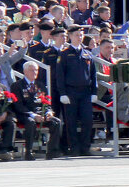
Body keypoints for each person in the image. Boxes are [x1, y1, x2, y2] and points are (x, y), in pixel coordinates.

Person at [54, 26, 97, 157]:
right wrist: (62, 93)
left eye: (81, 35)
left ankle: (85, 147)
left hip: (85, 92)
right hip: (70, 92)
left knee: (87, 120)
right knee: (70, 122)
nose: (79, 37)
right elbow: (60, 75)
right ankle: (73, 147)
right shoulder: (64, 54)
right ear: (70, 36)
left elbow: (93, 74)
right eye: (77, 35)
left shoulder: (87, 53)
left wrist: (94, 91)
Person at [11, 60, 62, 160]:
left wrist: (48, 112)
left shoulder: (41, 85)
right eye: (31, 70)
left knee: (56, 122)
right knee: (30, 123)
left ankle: (52, 151)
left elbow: (46, 103)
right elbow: (19, 106)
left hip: (40, 113)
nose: (34, 73)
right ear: (25, 72)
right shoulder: (17, 85)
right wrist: (34, 116)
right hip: (25, 115)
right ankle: (29, 152)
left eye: (36, 70)